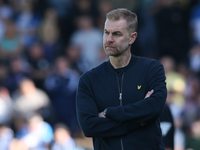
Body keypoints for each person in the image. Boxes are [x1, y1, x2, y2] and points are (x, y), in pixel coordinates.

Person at [76, 8, 167, 150]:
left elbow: (155, 108)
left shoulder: (151, 69)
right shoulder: (88, 80)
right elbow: (89, 127)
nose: (109, 39)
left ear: (132, 37)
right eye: (106, 32)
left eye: (116, 34)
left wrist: (108, 113)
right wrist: (138, 120)